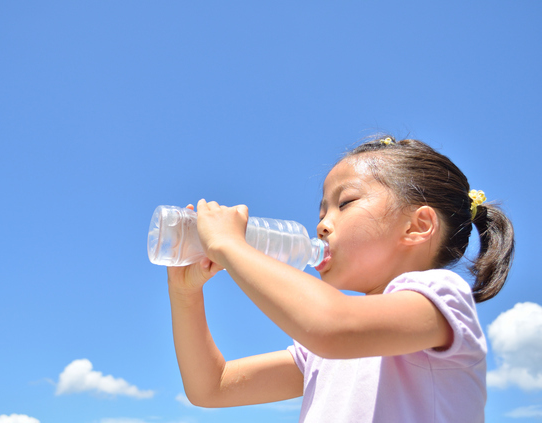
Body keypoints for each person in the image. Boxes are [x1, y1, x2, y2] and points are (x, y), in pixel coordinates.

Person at [166, 136, 515, 422]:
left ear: (417, 226)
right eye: (321, 211)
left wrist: (230, 245)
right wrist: (185, 294)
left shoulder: (440, 297)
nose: (322, 224)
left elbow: (331, 325)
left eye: (345, 203)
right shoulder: (322, 351)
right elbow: (211, 386)